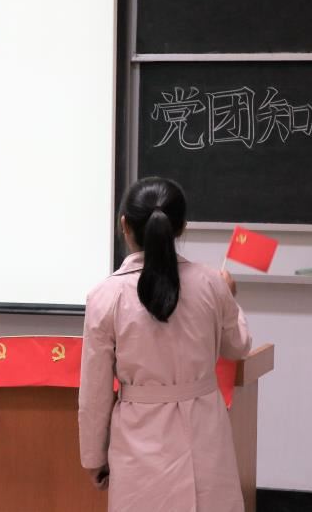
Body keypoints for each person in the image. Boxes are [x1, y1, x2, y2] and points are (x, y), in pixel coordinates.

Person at [78, 176, 252, 512]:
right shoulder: (212, 284)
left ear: (124, 225)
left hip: (139, 442)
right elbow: (238, 347)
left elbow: (95, 393)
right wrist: (230, 297)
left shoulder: (105, 296)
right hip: (204, 435)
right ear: (181, 227)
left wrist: (94, 457)